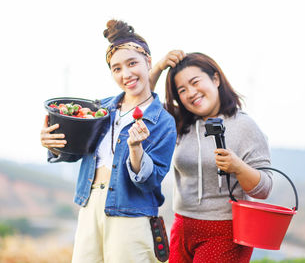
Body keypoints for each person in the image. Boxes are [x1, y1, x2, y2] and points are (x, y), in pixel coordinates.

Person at [40, 20, 177, 263]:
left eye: (132, 63)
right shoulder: (100, 109)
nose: (126, 74)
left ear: (148, 62)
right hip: (89, 204)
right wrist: (53, 143)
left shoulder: (163, 121)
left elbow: (150, 181)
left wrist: (136, 151)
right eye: (116, 68)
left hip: (132, 213)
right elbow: (74, 151)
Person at [151, 52, 273, 263]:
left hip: (225, 231)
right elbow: (141, 103)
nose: (191, 93)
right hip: (182, 228)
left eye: (195, 82)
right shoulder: (179, 123)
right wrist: (159, 67)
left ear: (215, 79)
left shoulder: (244, 126)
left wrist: (238, 167)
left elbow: (265, 188)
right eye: (182, 90)